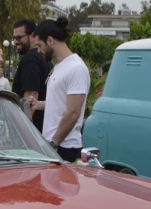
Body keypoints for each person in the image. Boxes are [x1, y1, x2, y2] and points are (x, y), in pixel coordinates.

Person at [27, 18, 91, 163]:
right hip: (53, 146)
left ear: (50, 40)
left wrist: (54, 143)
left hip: (64, 147)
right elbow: (60, 103)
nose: (38, 50)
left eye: (39, 45)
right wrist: (39, 104)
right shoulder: (59, 66)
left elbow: (73, 113)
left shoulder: (76, 68)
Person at [11, 19, 52, 132]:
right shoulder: (44, 58)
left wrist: (23, 132)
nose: (15, 41)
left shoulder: (30, 60)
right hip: (44, 127)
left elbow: (30, 96)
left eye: (19, 38)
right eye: (13, 38)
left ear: (32, 36)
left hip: (33, 130)